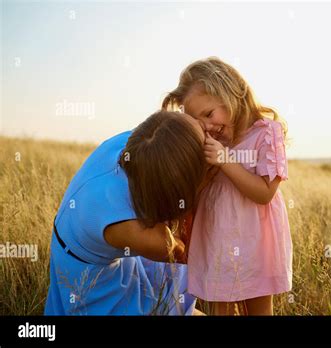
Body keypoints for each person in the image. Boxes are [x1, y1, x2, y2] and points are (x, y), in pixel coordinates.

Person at [163, 57, 293, 315]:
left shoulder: (266, 133)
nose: (208, 126)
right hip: (216, 242)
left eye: (209, 114)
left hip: (256, 244)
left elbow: (265, 193)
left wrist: (225, 160)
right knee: (219, 309)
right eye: (200, 123)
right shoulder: (209, 144)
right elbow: (197, 194)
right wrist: (207, 170)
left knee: (258, 310)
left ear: (232, 94)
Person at [45, 110, 207, 315]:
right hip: (95, 284)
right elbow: (180, 253)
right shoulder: (133, 230)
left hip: (84, 235)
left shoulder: (142, 141)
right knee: (170, 293)